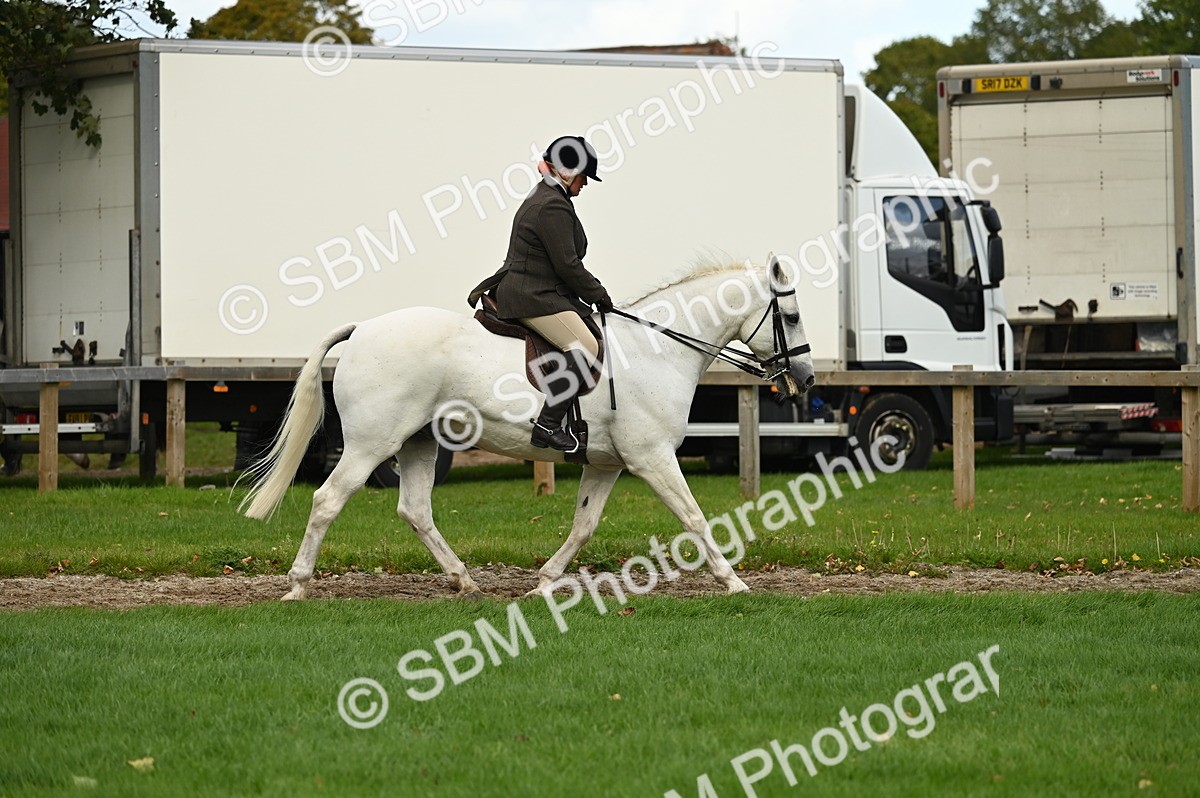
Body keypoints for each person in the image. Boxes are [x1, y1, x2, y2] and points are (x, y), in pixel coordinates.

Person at [468, 135, 614, 452]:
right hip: (531, 294)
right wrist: (598, 293)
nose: (585, 184)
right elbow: (567, 264)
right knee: (585, 347)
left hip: (539, 289)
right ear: (567, 172)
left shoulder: (549, 196)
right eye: (584, 177)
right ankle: (548, 425)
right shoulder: (551, 205)